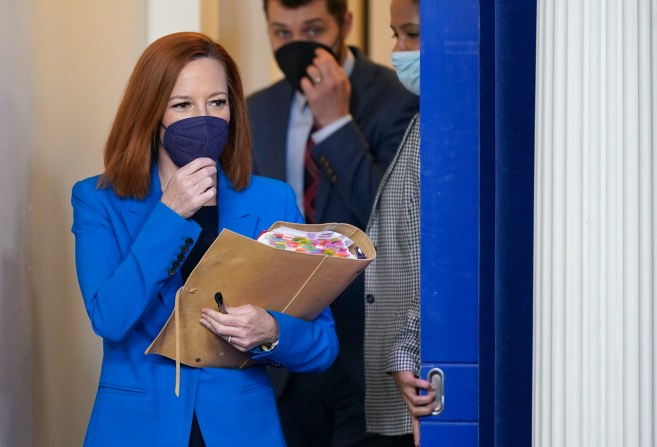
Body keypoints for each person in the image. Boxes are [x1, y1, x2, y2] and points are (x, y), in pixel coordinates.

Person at [71, 32, 339, 447]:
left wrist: (271, 330)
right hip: (136, 428)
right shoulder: (96, 200)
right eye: (182, 105)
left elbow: (323, 346)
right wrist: (170, 214)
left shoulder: (272, 200)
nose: (205, 118)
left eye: (217, 102)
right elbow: (110, 318)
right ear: (150, 113)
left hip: (242, 430)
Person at [247, 1, 420, 445]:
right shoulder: (256, 112)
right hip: (282, 347)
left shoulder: (400, 98)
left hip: (367, 351)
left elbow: (392, 221)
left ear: (344, 23)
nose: (296, 45)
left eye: (312, 29)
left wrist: (335, 123)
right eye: (282, 34)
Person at [364, 0, 436, 446]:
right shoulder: (429, 115)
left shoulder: (455, 124)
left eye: (411, 34)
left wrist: (408, 343)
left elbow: (443, 255)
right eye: (395, 35)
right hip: (407, 383)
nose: (398, 50)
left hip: (423, 379)